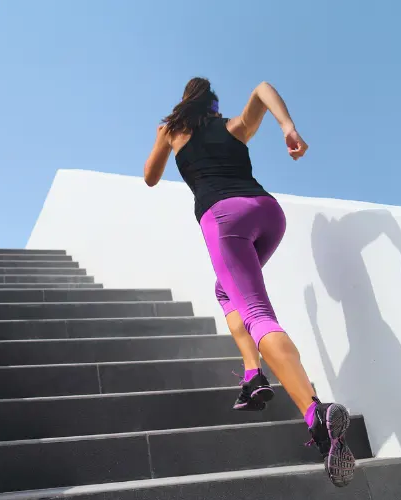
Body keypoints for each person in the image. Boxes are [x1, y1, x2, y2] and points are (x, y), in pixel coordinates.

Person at [143, 77, 355, 487]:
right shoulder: (234, 126)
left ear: (185, 106)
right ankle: (252, 375)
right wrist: (287, 127)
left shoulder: (173, 131)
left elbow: (151, 177)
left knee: (257, 312)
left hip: (224, 219)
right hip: (267, 212)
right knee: (227, 292)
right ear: (214, 107)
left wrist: (162, 138)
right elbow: (261, 88)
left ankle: (315, 413)